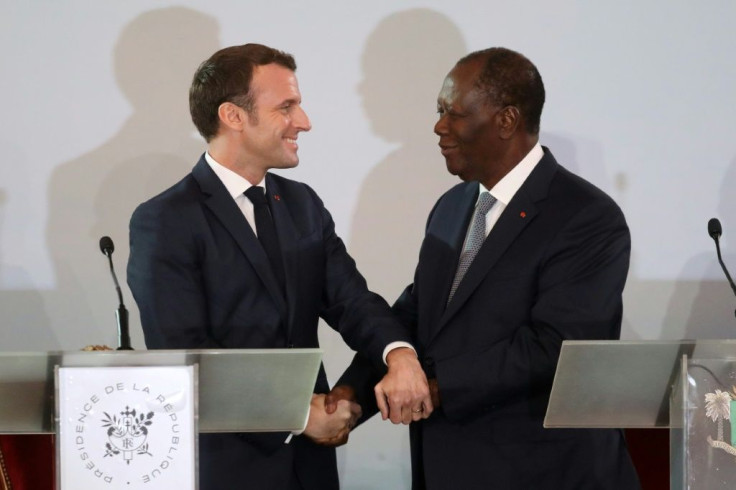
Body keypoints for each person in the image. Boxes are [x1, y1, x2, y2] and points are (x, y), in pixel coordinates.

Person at [127, 43, 432, 490]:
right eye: (286, 107)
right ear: (233, 116)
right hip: (227, 468)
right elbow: (186, 355)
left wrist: (398, 354)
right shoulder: (165, 220)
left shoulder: (302, 205)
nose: (304, 122)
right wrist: (292, 414)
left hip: (311, 466)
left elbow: (352, 301)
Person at [334, 47, 641, 489]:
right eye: (439, 111)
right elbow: (416, 316)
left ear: (506, 121)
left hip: (543, 473)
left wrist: (435, 389)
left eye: (454, 114)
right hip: (448, 467)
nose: (439, 127)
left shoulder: (586, 216)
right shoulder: (452, 207)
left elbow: (556, 347)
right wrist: (353, 397)